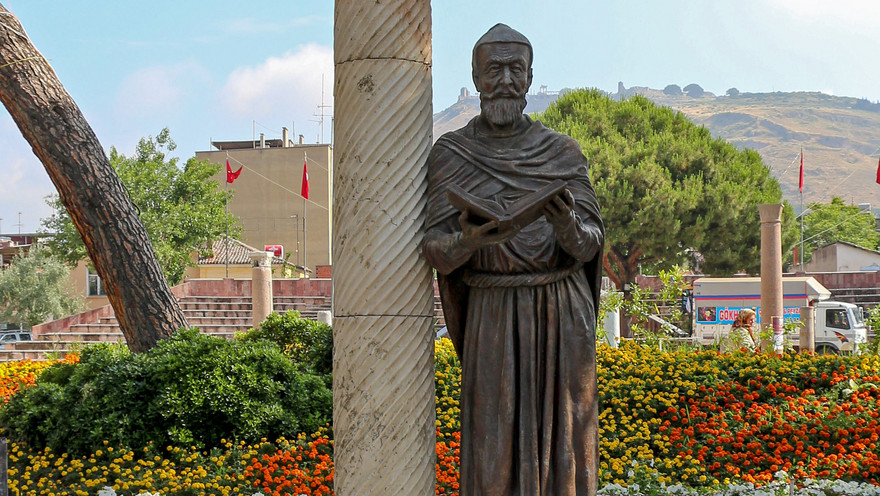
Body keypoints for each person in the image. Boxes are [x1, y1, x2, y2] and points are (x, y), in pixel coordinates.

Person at [422, 24, 605, 496]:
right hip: (492, 314)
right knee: (492, 443)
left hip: (560, 312)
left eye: (515, 69)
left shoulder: (561, 151)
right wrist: (465, 241)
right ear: (476, 77)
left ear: (528, 78)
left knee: (565, 441)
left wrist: (568, 228)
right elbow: (435, 251)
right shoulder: (452, 154)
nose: (504, 79)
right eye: (494, 69)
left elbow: (591, 244)